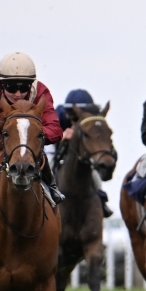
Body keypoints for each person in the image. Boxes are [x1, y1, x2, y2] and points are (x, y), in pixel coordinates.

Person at [0, 52, 63, 206]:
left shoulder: (40, 91)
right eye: (11, 87)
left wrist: (34, 137)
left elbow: (55, 129)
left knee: (41, 160)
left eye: (24, 88)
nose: (18, 94)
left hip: (26, 141)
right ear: (0, 82)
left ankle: (53, 191)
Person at [54, 88, 113, 217]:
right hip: (54, 147)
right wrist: (60, 136)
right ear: (68, 113)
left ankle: (101, 200)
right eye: (75, 117)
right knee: (47, 160)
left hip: (77, 155)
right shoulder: (56, 116)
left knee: (94, 174)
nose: (78, 121)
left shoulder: (89, 124)